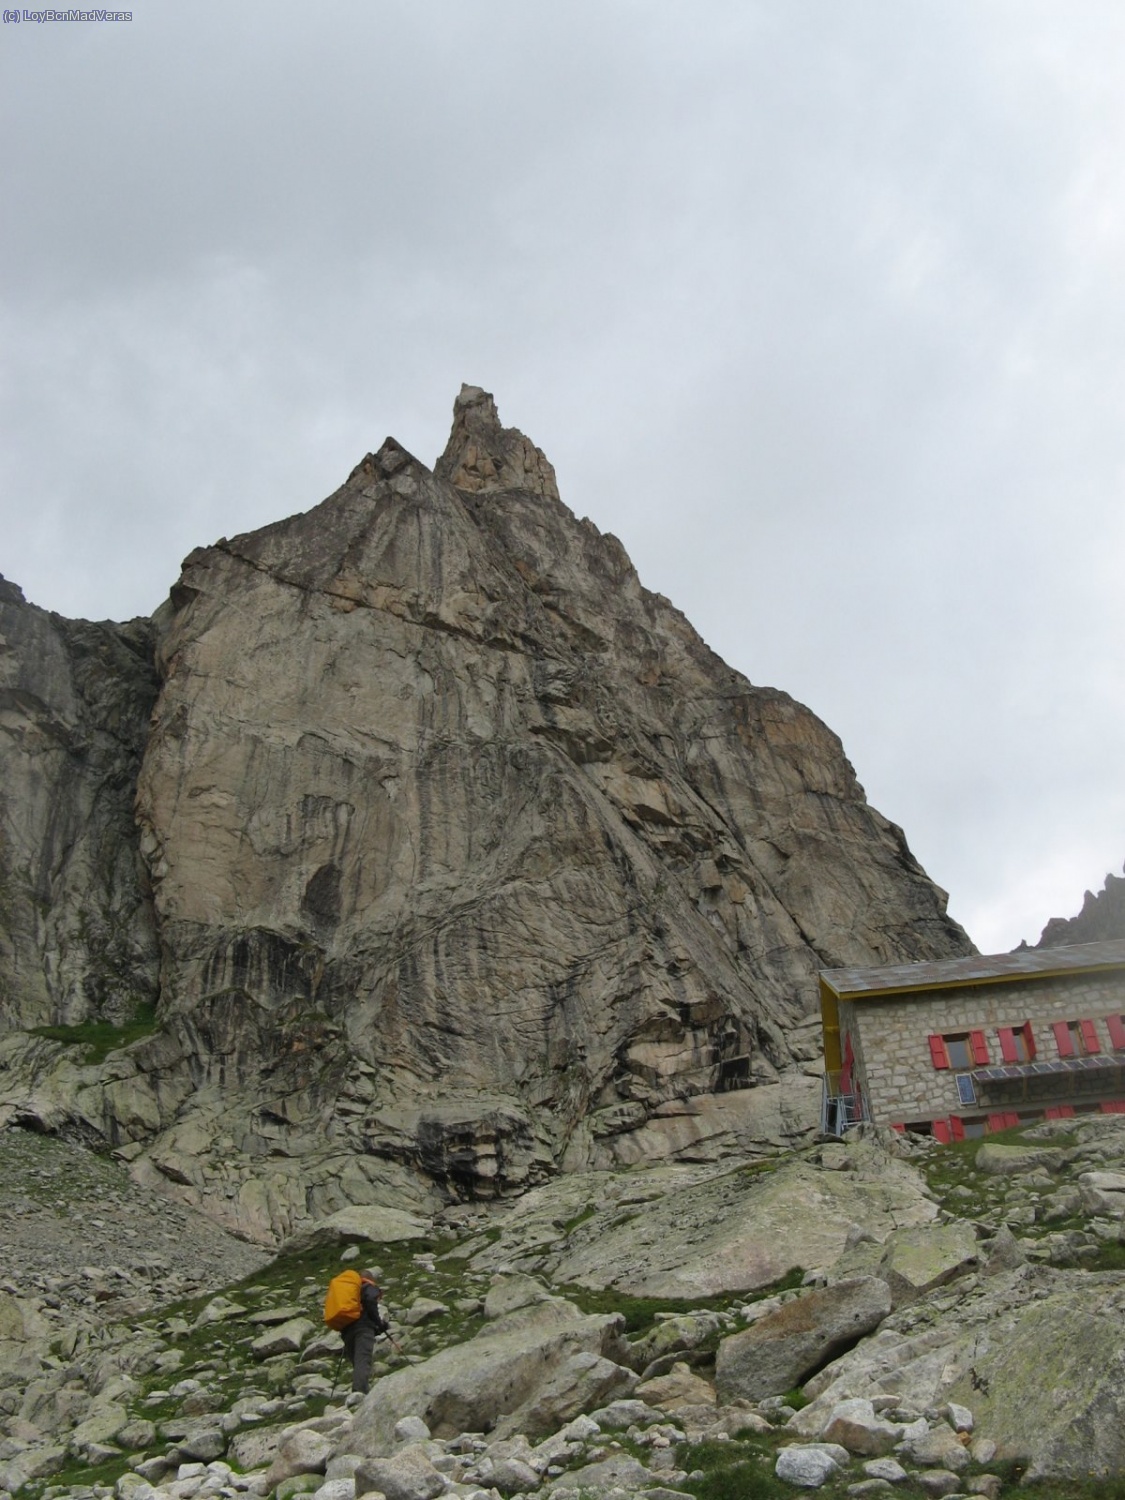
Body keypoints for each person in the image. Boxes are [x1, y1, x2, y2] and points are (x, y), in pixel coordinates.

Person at [342, 1271, 389, 1394]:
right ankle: (359, 1392)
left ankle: (361, 1389)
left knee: (357, 1362)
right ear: (370, 1278)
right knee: (362, 1360)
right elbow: (370, 1300)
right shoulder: (368, 1286)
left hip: (347, 1330)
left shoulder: (349, 1291)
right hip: (363, 1329)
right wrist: (378, 1323)